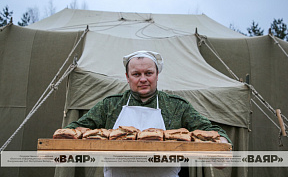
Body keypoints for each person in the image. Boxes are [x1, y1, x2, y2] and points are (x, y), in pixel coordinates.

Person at [64, 50, 231, 176]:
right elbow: (76, 128)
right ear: (127, 77)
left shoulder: (177, 106)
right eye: (136, 74)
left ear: (157, 75)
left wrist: (221, 144)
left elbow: (210, 130)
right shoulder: (110, 105)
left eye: (148, 73)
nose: (143, 79)